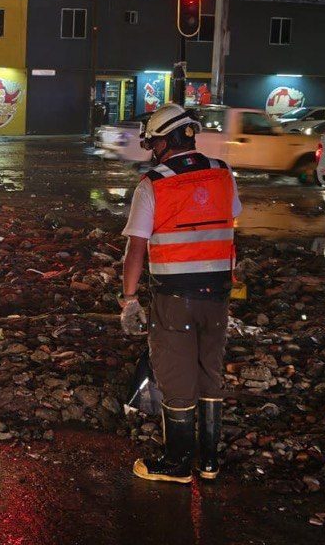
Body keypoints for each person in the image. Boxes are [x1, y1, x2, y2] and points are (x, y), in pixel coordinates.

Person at [120, 104, 241, 484]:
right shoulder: (222, 172)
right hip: (218, 294)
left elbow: (136, 249)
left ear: (166, 140)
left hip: (175, 297)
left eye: (154, 142)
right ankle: (209, 462)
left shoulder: (153, 183)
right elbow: (231, 218)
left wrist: (129, 299)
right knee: (210, 370)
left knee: (176, 374)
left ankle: (177, 462)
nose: (153, 150)